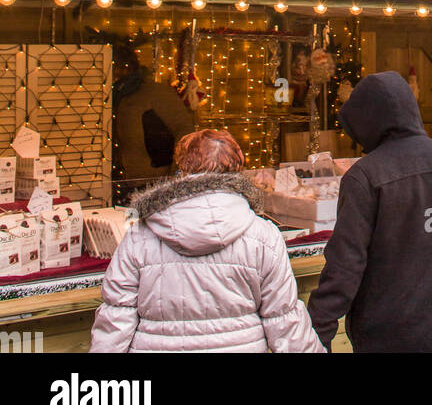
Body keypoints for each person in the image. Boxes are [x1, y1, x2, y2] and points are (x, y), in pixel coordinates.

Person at [90, 128, 324, 354]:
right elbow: (285, 320)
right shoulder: (263, 236)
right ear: (236, 169)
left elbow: (116, 317)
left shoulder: (139, 235)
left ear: (182, 167)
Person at [307, 70, 432, 353]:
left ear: (369, 121)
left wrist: (317, 331)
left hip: (388, 338)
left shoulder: (364, 177)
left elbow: (345, 265)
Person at [112, 43, 195, 199]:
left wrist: (176, 175)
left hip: (153, 182)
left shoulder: (155, 94)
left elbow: (185, 130)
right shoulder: (113, 96)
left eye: (122, 66)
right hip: (121, 182)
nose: (118, 71)